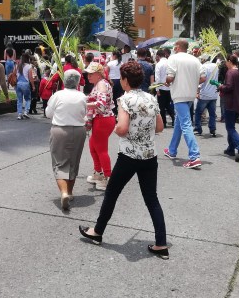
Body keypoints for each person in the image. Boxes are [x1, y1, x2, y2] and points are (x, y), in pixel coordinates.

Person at [79, 61, 168, 259]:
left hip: (128, 155)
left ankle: (97, 231)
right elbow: (160, 127)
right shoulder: (151, 98)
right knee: (151, 198)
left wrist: (118, 127)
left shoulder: (125, 99)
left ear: (126, 80)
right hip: (149, 156)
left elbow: (122, 128)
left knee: (111, 193)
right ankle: (161, 243)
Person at [45, 70, 87, 211]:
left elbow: (48, 113)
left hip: (60, 130)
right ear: (77, 82)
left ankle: (63, 192)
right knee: (74, 161)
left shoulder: (58, 95)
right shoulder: (82, 96)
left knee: (59, 162)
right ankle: (69, 192)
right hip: (79, 130)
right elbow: (85, 114)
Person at [163, 39, 202, 169]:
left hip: (179, 95)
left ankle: (194, 156)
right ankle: (172, 150)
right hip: (190, 95)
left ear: (178, 47)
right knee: (180, 123)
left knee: (185, 124)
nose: (174, 47)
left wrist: (167, 81)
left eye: (175, 46)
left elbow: (170, 77)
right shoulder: (195, 60)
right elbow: (203, 77)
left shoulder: (174, 58)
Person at [85, 62, 115, 191]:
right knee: (93, 147)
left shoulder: (101, 84)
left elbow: (101, 104)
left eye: (91, 74)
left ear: (98, 74)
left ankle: (108, 177)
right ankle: (98, 173)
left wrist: (84, 103)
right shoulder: (100, 83)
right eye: (88, 73)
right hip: (101, 119)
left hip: (103, 119)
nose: (88, 76)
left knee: (100, 149)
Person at [218, 55, 239, 162]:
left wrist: (221, 86)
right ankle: (231, 148)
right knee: (231, 126)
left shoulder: (230, 72)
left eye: (226, 62)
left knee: (230, 127)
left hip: (230, 102)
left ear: (230, 61)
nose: (225, 64)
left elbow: (229, 86)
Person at [194, 57, 218, 137]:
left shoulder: (203, 67)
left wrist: (195, 85)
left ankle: (198, 129)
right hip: (213, 93)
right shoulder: (216, 66)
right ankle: (212, 129)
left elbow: (203, 79)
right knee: (212, 113)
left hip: (204, 94)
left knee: (198, 112)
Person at [154, 48, 174, 128]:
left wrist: (157, 89)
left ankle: (164, 122)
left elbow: (157, 78)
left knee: (161, 106)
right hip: (170, 87)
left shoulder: (159, 64)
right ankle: (173, 118)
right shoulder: (170, 63)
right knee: (168, 105)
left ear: (158, 56)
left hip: (162, 87)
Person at [15, 52, 36, 120]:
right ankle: (26, 112)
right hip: (25, 84)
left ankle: (19, 114)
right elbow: (30, 77)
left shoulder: (17, 65)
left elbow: (15, 74)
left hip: (18, 84)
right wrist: (33, 86)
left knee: (19, 100)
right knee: (27, 99)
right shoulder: (29, 66)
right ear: (28, 59)